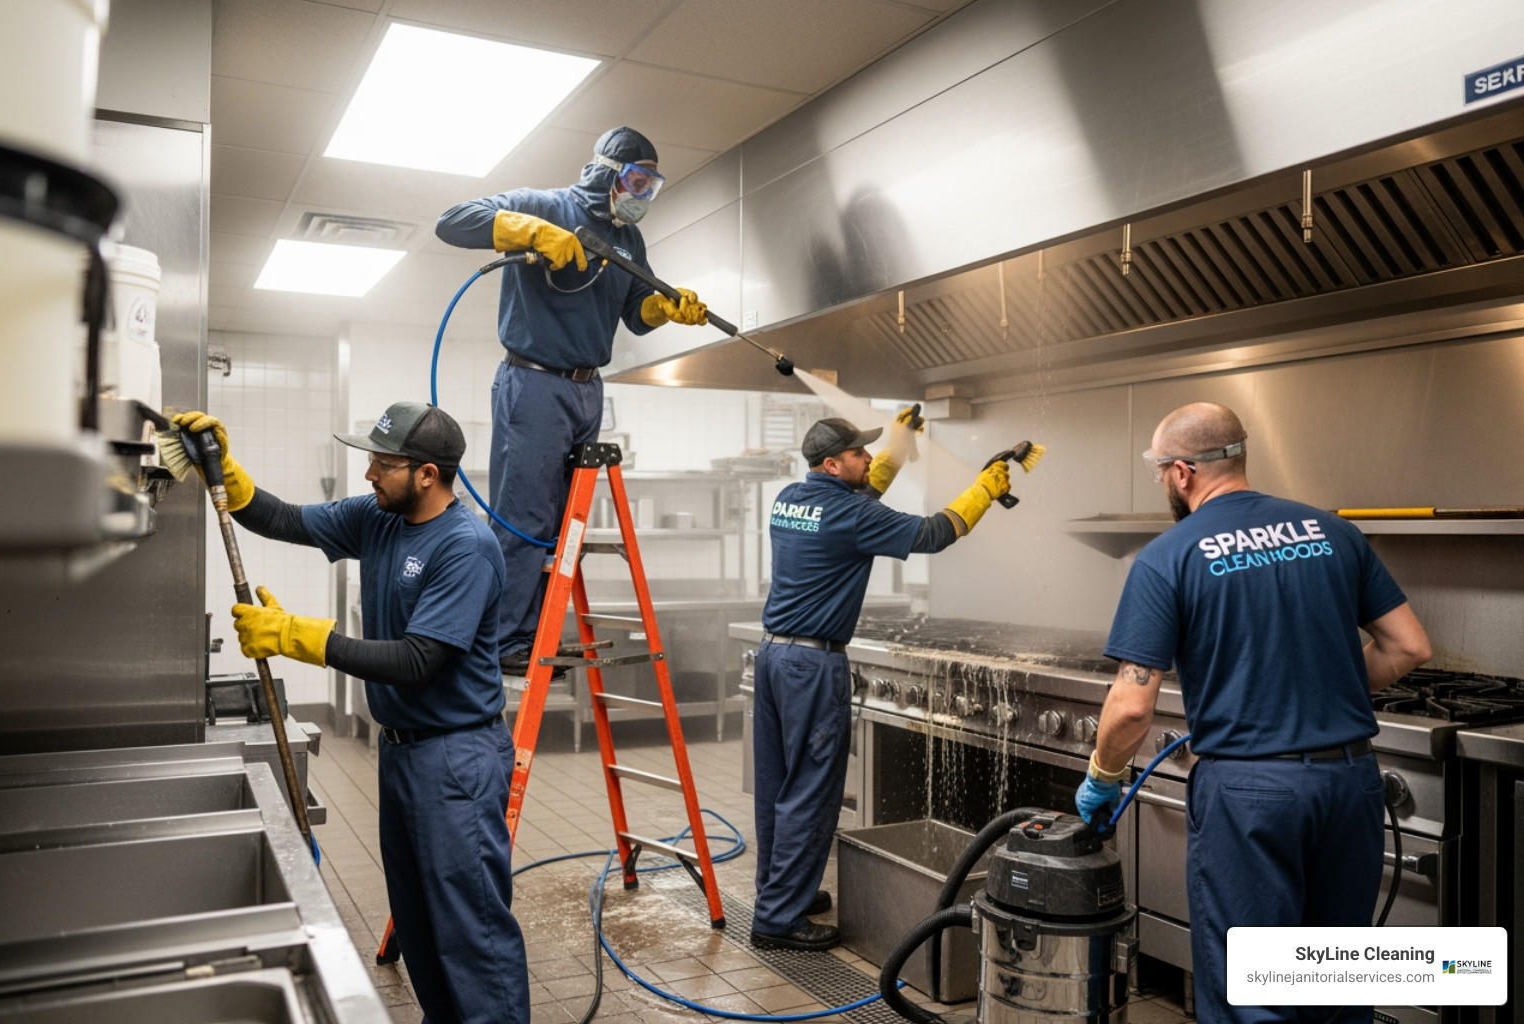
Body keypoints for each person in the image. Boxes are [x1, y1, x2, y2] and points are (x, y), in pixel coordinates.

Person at [1075, 402, 1431, 1024]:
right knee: (1337, 985)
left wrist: (1102, 778)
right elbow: (1409, 646)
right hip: (1349, 785)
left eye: (1160, 471)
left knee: (1255, 994)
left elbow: (1131, 706)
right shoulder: (1334, 532)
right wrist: (1324, 689)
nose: (1163, 482)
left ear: (1181, 472)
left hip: (1250, 793)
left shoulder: (1169, 556)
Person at [174, 403, 528, 1024]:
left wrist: (295, 637)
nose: (368, 473)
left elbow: (420, 660)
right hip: (402, 751)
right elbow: (283, 519)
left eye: (382, 463)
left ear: (426, 474)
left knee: (470, 926)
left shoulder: (465, 548)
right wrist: (225, 470)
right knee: (419, 919)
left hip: (457, 758)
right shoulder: (378, 517)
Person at [434, 126, 707, 675]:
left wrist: (666, 308)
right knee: (523, 516)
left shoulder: (629, 242)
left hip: (588, 388)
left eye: (652, 186)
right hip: (534, 381)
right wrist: (532, 232)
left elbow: (636, 311)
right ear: (607, 171)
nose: (642, 195)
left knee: (561, 525)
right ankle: (502, 640)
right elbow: (452, 222)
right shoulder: (546, 205)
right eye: (636, 180)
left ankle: (536, 634)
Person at [752, 410, 1021, 950]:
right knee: (810, 791)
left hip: (774, 659)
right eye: (860, 453)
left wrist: (896, 445)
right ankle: (778, 920)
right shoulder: (852, 516)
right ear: (833, 464)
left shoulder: (791, 499)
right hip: (812, 666)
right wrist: (984, 489)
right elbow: (933, 533)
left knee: (779, 786)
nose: (868, 459)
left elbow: (862, 496)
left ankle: (783, 893)